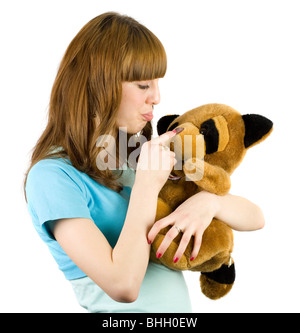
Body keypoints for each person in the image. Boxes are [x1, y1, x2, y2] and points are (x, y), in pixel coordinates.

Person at [24, 12, 265, 313]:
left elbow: (255, 218)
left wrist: (209, 203)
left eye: (157, 83)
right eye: (142, 85)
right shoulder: (52, 177)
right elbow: (123, 285)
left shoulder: (137, 154)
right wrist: (146, 188)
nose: (157, 97)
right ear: (99, 85)